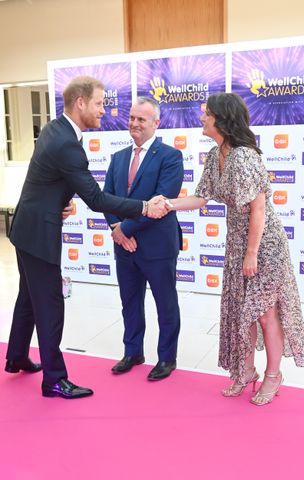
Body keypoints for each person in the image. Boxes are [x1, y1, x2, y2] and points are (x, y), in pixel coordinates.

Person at [5, 76, 166, 399]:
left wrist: (59, 202)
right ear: (80, 102)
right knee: (49, 303)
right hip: (37, 233)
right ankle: (54, 379)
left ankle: (17, 356)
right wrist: (145, 207)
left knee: (28, 294)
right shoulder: (67, 142)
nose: (103, 110)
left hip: (27, 225)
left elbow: (45, 178)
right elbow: (96, 199)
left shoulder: (55, 128)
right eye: (98, 103)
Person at [163, 92, 304, 405]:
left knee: (264, 313)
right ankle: (245, 371)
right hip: (237, 244)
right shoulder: (214, 154)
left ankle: (274, 375)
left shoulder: (245, 156)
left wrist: (251, 254)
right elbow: (201, 197)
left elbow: (258, 209)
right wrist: (168, 204)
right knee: (238, 312)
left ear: (221, 119)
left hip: (263, 245)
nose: (202, 118)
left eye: (207, 113)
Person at [103, 96, 184, 380]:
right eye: (132, 118)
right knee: (130, 301)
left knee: (165, 303)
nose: (135, 124)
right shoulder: (118, 157)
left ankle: (166, 358)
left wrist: (124, 229)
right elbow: (107, 199)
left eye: (142, 119)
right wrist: (117, 229)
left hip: (157, 245)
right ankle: (133, 351)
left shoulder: (171, 156)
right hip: (124, 246)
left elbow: (160, 203)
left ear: (156, 123)